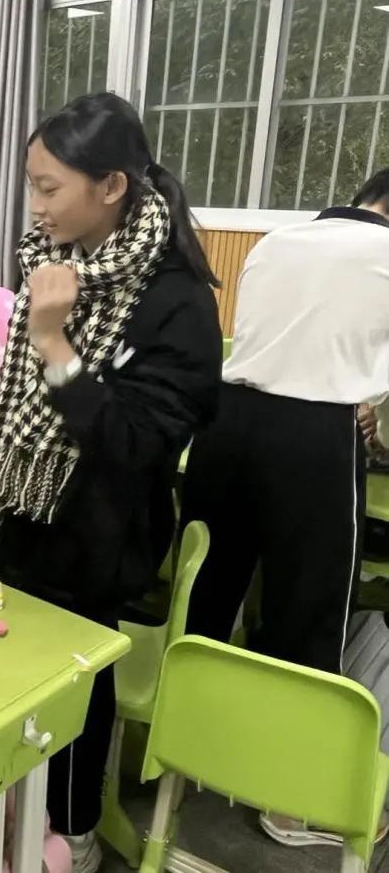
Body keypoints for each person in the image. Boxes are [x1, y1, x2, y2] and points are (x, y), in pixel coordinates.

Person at [0, 92, 222, 871]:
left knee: (73, 682)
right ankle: (2, 813)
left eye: (50, 187)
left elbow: (133, 444)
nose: (36, 204)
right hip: (13, 511)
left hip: (94, 534)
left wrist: (53, 339)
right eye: (32, 184)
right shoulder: (58, 258)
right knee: (4, 659)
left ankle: (73, 832)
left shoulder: (176, 302)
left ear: (111, 185)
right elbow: (20, 382)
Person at [183, 170, 389, 847]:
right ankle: (288, 804)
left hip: (226, 424)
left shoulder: (278, 240)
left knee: (207, 598)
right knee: (308, 614)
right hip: (314, 438)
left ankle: (187, 753)